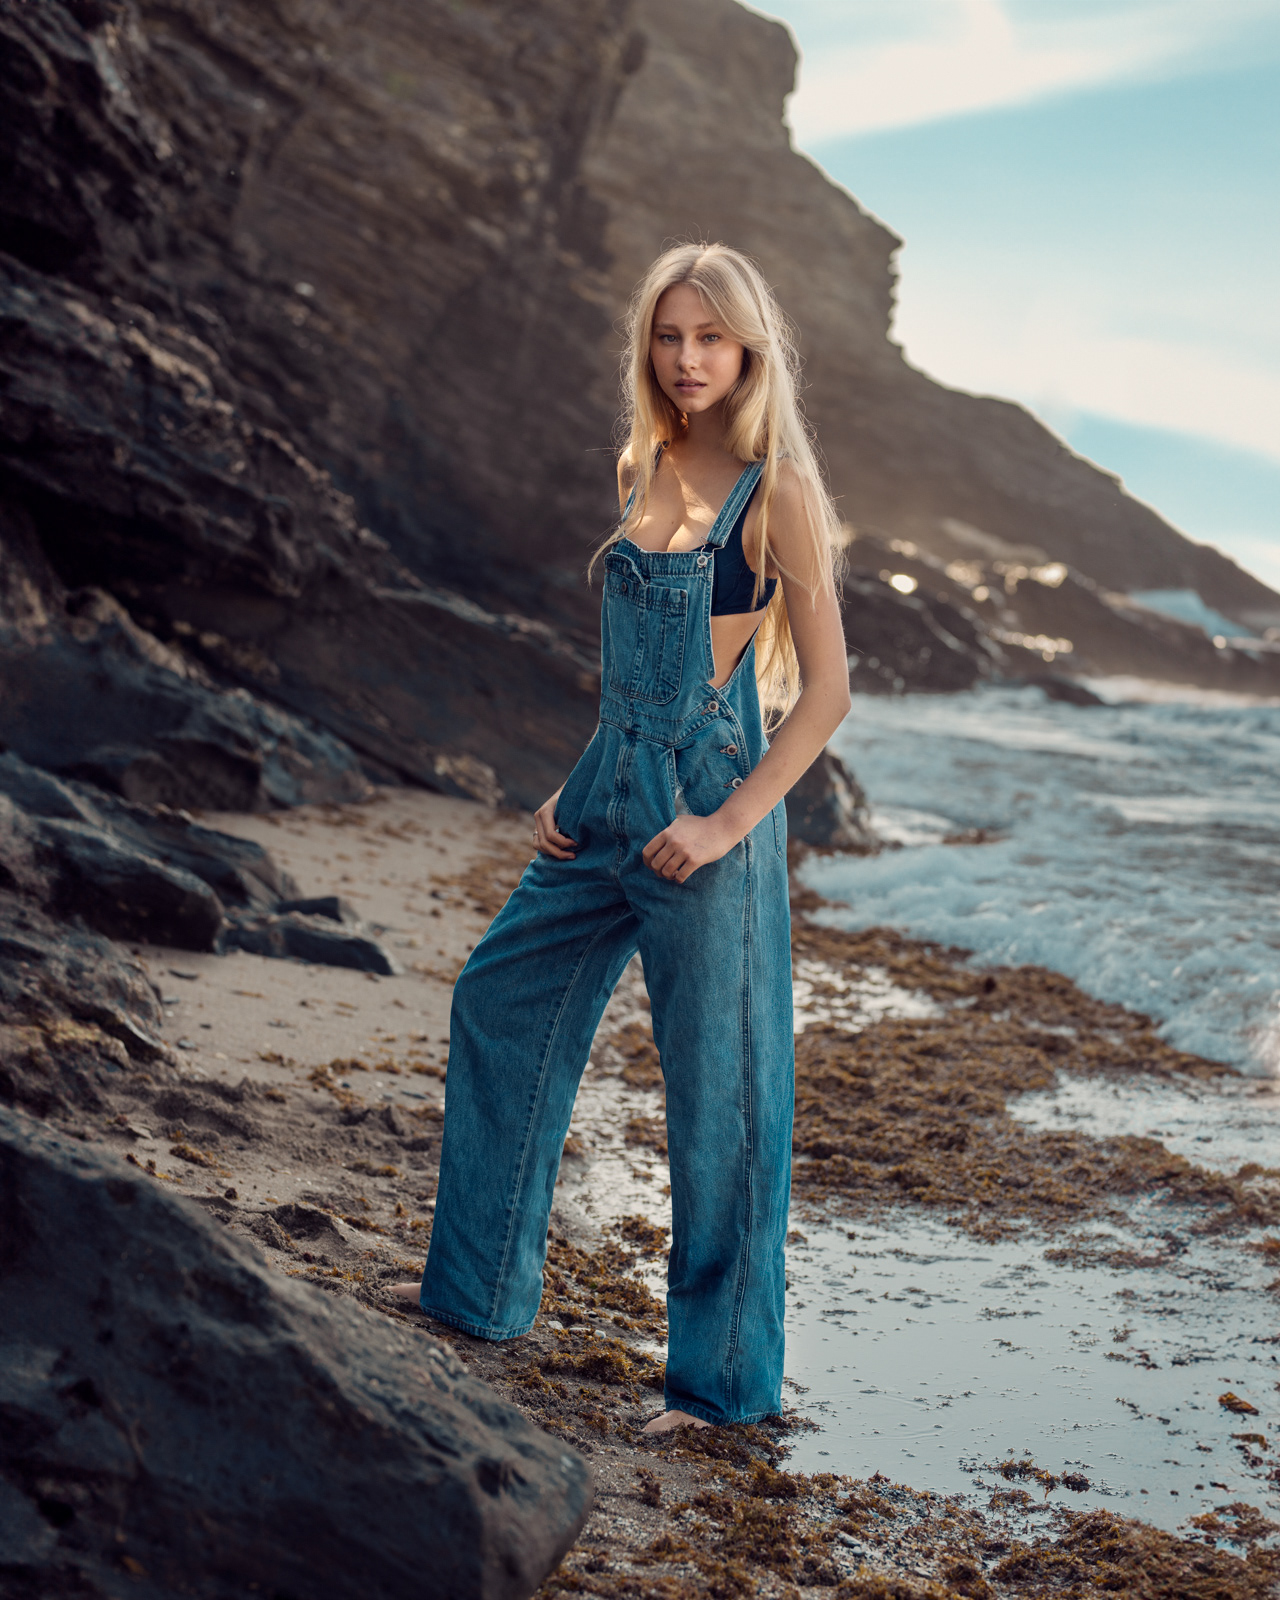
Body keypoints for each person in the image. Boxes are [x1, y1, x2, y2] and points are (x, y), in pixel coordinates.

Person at [392, 242, 850, 1433]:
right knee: (498, 998)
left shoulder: (774, 487)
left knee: (721, 1098)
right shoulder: (641, 465)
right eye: (668, 335)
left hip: (705, 811)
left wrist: (724, 825)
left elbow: (826, 693)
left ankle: (718, 1391)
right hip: (607, 791)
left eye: (709, 337)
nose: (687, 358)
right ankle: (477, 1296)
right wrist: (575, 786)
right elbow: (633, 681)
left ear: (748, 348)